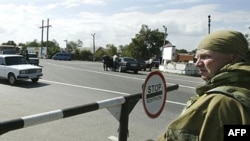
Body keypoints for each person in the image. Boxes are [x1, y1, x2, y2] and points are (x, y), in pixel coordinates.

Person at [157, 30, 250, 141]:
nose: (197, 63)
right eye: (197, 58)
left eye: (205, 57)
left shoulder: (220, 101)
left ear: (233, 58)